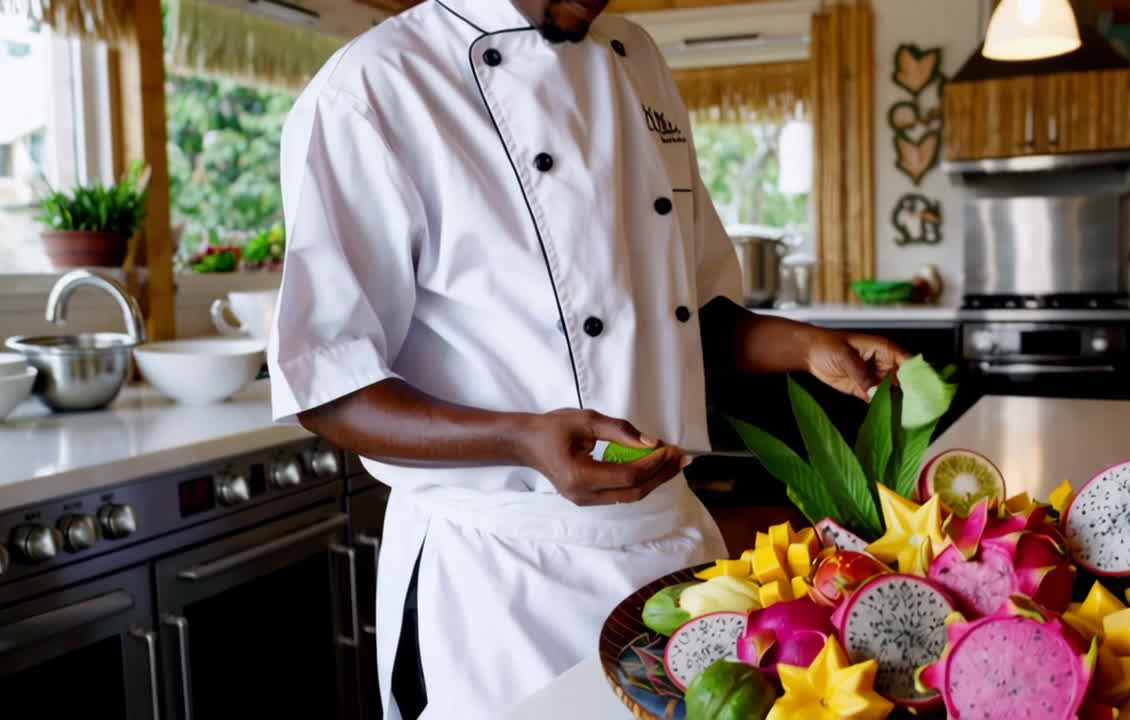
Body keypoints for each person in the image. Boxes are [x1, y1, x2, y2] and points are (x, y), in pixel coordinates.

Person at [268, 1, 909, 717]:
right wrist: (518, 438)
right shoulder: (375, 88)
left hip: (673, 555)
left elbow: (679, 314)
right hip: (503, 579)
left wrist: (806, 345)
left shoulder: (637, 57)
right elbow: (329, 382)